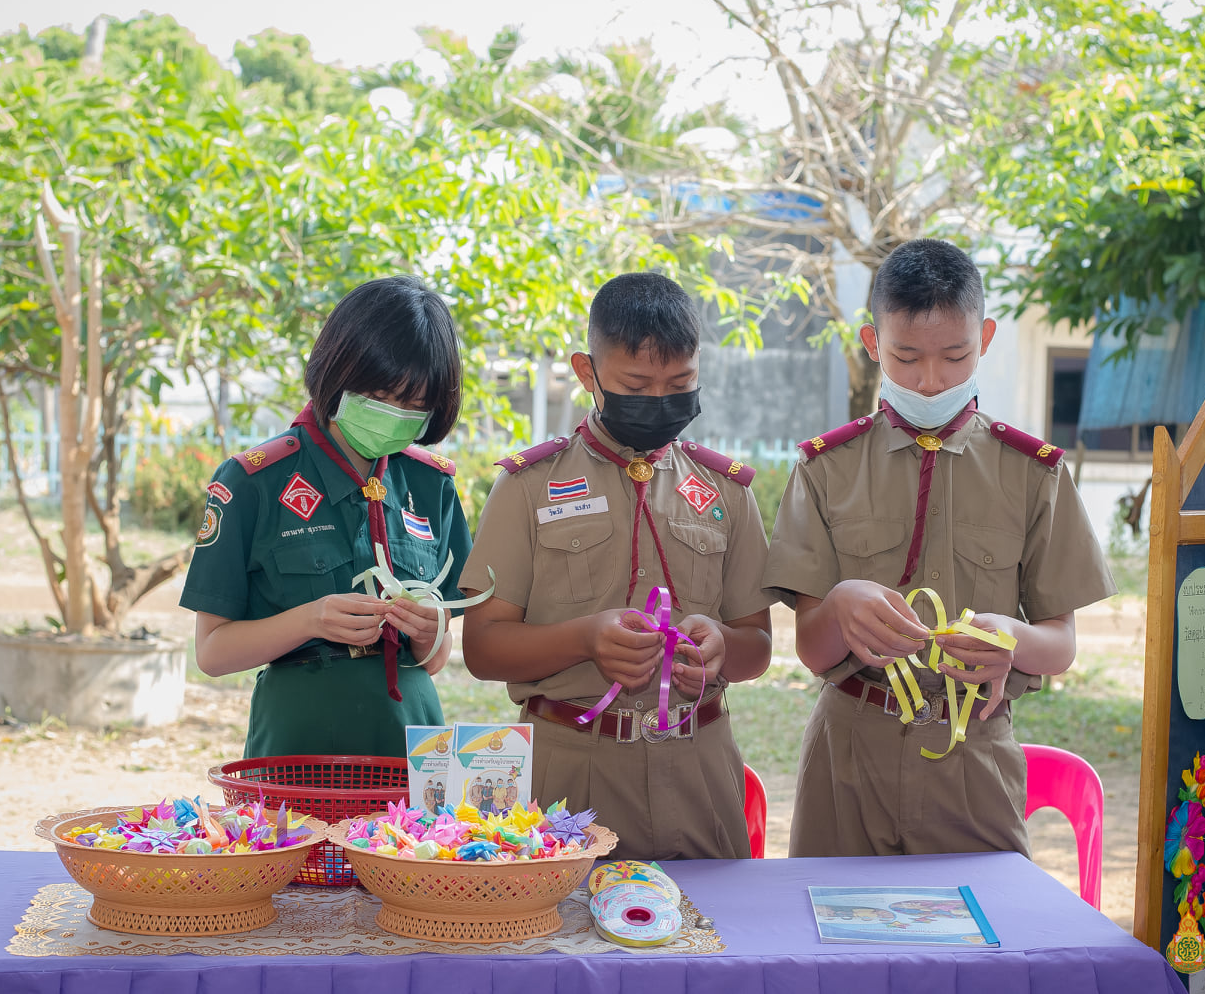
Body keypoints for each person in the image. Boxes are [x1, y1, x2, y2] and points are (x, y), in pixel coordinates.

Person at [763, 239, 1115, 857]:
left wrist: (1014, 639)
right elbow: (812, 650)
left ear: (985, 338)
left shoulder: (1032, 472)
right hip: (849, 756)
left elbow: (1060, 643)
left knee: (981, 918)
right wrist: (839, 607)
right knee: (833, 917)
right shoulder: (826, 468)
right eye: (905, 357)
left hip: (973, 751)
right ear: (873, 343)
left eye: (955, 357)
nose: (930, 382)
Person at [460, 271, 773, 860]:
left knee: (709, 918)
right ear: (588, 373)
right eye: (636, 384)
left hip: (699, 767)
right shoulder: (528, 486)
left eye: (680, 383)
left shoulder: (726, 491)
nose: (660, 400)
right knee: (566, 919)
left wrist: (720, 647)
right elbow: (482, 648)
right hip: (571, 772)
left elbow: (757, 646)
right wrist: (584, 639)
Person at [179, 275, 472, 758]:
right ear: (339, 370)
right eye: (381, 394)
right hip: (299, 739)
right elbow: (211, 653)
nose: (394, 414)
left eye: (414, 405)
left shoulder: (430, 484)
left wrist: (428, 632)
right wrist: (310, 620)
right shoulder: (254, 480)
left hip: (411, 737)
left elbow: (436, 658)